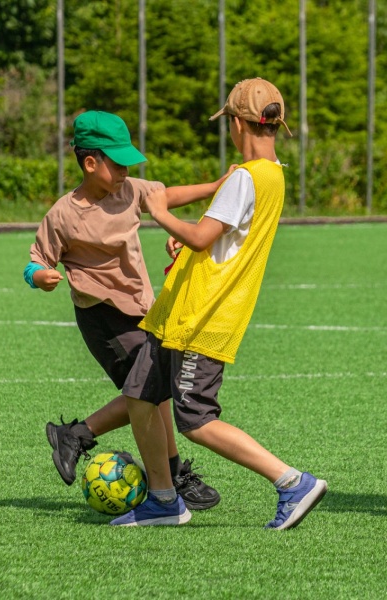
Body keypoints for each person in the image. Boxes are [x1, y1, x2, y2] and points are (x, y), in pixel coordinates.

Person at [109, 78, 327, 529]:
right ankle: (164, 501)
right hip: (179, 311)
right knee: (140, 395)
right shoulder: (272, 173)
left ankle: (292, 482)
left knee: (195, 417)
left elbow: (202, 235)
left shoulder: (245, 176)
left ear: (237, 124)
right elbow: (220, 239)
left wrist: (161, 213)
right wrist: (189, 242)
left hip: (204, 314)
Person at [25, 110, 224, 510]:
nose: (125, 171)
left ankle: (87, 440)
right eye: (117, 163)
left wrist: (217, 187)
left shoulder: (129, 190)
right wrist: (41, 276)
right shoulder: (64, 214)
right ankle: (99, 445)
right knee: (148, 390)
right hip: (103, 318)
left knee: (156, 390)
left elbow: (166, 196)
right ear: (90, 162)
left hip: (141, 310)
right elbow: (35, 261)